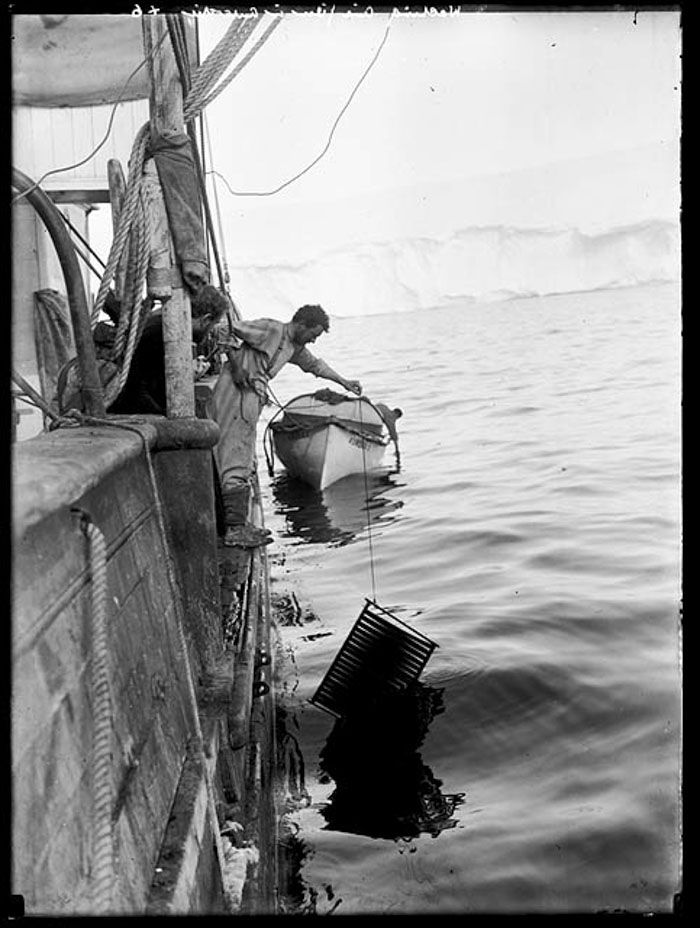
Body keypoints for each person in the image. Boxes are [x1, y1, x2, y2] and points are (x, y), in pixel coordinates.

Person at [210, 304, 362, 548]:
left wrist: (344, 382)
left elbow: (315, 365)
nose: (313, 340)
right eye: (313, 334)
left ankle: (237, 523)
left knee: (242, 456)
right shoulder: (271, 329)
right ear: (301, 324)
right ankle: (235, 530)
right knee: (235, 456)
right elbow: (224, 329)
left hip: (251, 396)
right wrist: (237, 366)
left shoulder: (293, 346)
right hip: (236, 390)